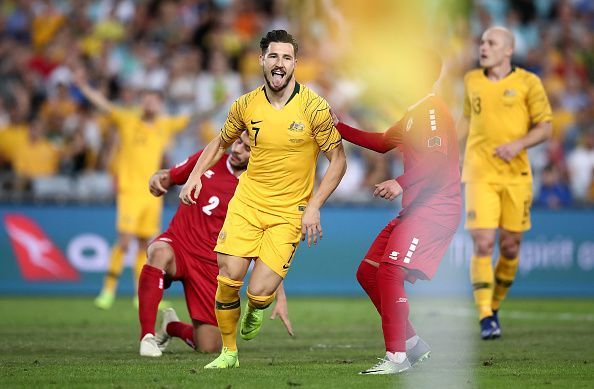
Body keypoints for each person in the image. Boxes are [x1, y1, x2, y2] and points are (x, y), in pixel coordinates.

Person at [179, 30, 346, 369]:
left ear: (295, 64)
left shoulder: (315, 108)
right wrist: (194, 175)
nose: (279, 63)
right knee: (228, 277)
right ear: (262, 61)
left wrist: (314, 206)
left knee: (258, 292)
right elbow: (220, 143)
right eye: (273, 56)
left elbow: (339, 161)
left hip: (289, 212)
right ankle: (229, 353)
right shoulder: (245, 104)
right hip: (247, 204)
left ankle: (256, 307)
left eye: (286, 57)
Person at [333, 49, 461, 374]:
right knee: (368, 272)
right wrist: (339, 127)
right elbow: (381, 142)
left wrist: (401, 182)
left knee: (390, 272)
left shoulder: (432, 112)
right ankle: (414, 345)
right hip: (415, 210)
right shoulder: (414, 114)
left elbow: (436, 160)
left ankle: (397, 358)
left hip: (435, 209)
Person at [138, 131, 293, 357]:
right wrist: (157, 179)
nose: (237, 149)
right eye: (238, 142)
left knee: (208, 346)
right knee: (159, 252)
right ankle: (147, 337)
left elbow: (266, 245)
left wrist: (279, 295)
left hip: (212, 265)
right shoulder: (210, 157)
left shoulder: (258, 190)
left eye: (247, 148)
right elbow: (170, 176)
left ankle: (170, 327)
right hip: (179, 245)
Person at [458, 27, 552, 340]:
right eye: (481, 41)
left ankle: (494, 305)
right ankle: (485, 315)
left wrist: (519, 144)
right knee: (483, 242)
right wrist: (451, 151)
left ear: (508, 50)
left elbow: (546, 128)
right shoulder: (471, 80)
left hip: (516, 175)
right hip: (479, 174)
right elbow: (467, 121)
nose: (483, 47)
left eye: (490, 43)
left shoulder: (528, 82)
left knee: (510, 247)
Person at [73, 68, 191, 309]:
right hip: (129, 191)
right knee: (125, 241)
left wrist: (224, 104)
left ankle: (140, 294)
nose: (150, 103)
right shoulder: (127, 120)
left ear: (159, 104)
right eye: (146, 99)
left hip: (153, 193)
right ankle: (108, 290)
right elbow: (104, 105)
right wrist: (84, 88)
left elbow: (195, 118)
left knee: (144, 245)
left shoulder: (164, 125)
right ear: (141, 102)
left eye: (154, 100)